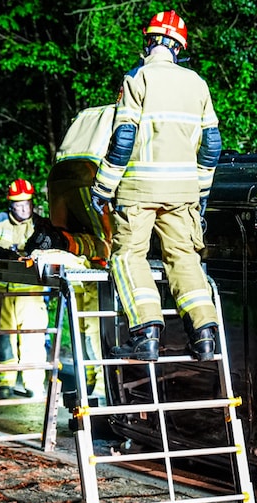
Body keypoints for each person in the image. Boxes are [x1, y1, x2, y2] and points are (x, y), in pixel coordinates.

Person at [89, 10, 223, 362]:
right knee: (184, 257)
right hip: (183, 193)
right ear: (179, 47)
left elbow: (123, 138)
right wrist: (202, 192)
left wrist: (103, 187)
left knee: (128, 256)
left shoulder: (138, 78)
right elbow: (211, 145)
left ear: (148, 42)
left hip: (138, 191)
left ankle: (146, 334)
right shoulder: (198, 84)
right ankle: (205, 334)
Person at [0, 178, 47, 399]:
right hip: (2, 292)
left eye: (27, 203)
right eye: (18, 205)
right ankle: (4, 382)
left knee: (33, 339)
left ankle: (34, 384)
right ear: (10, 205)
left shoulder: (41, 224)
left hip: (31, 293)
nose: (23, 208)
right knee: (4, 338)